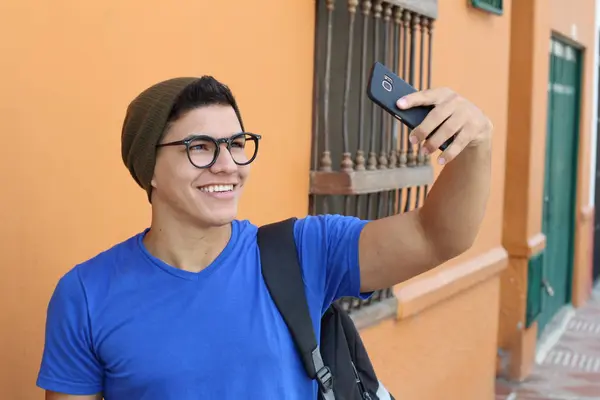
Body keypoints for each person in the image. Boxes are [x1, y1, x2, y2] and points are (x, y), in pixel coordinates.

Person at [36, 75, 492, 400]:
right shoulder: (86, 295)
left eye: (236, 143)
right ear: (148, 168)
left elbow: (436, 237)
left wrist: (475, 146)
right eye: (199, 147)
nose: (228, 165)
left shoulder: (302, 251)